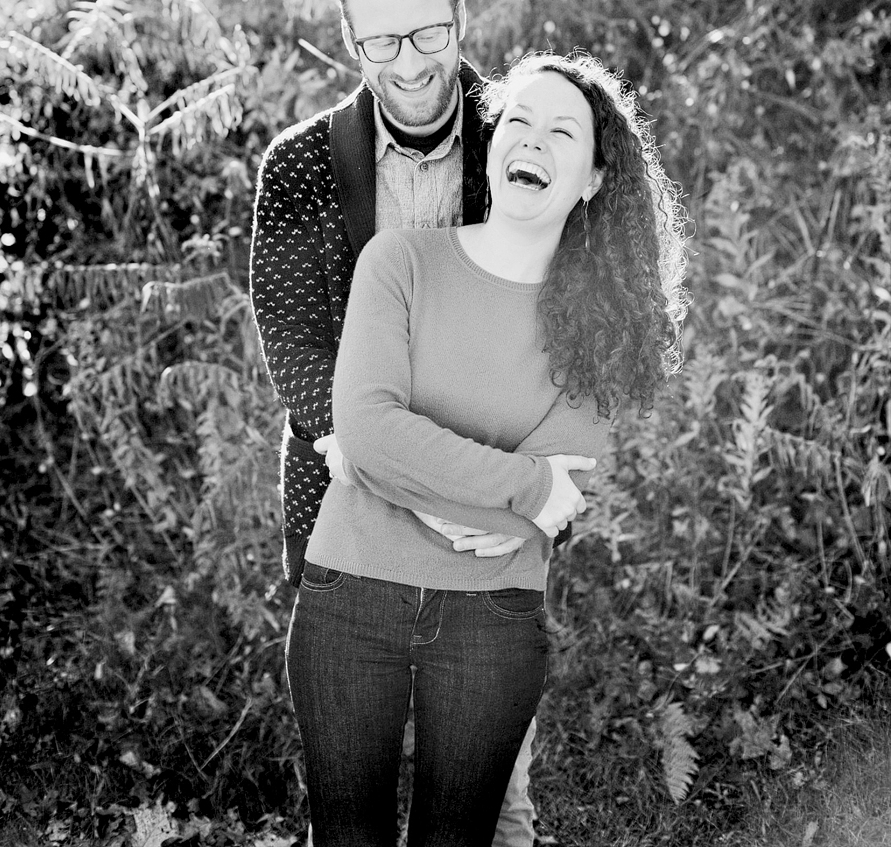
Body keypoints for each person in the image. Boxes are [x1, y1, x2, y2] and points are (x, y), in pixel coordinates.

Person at [286, 50, 689, 845]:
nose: (532, 141)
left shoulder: (605, 328)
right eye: (520, 121)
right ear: (496, 139)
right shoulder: (399, 262)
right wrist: (524, 494)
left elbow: (556, 484)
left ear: (595, 178)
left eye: (562, 132)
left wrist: (499, 494)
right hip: (348, 593)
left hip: (494, 615)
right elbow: (365, 430)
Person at [250, 0, 543, 845]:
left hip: (484, 524)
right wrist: (365, 453)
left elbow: (564, 329)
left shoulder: (524, 147)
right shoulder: (300, 165)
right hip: (345, 516)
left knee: (493, 811)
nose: (409, 63)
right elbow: (292, 334)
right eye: (382, 40)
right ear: (350, 38)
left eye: (429, 32)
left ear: (463, 16)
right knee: (350, 814)